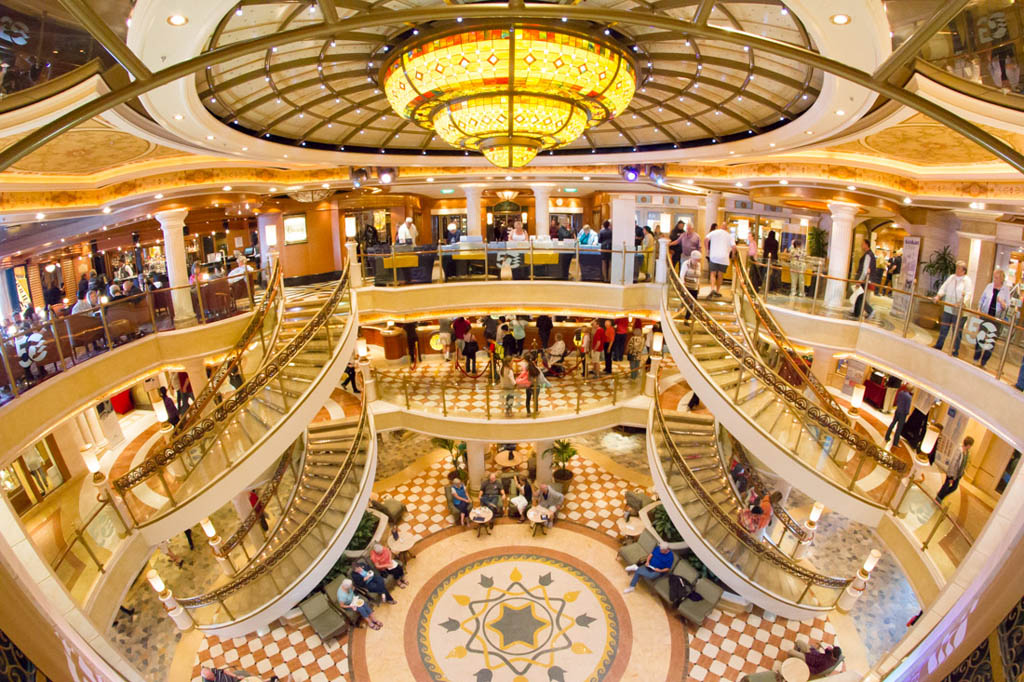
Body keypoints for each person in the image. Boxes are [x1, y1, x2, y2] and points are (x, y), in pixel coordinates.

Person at [932, 260, 972, 355]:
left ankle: (955, 350)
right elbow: (944, 287)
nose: (957, 270)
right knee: (944, 328)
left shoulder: (967, 280)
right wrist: (938, 296)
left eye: (959, 268)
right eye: (956, 267)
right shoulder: (951, 278)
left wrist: (962, 302)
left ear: (964, 271)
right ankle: (939, 345)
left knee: (956, 331)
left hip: (959, 311)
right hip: (948, 308)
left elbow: (968, 294)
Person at [973, 269, 1010, 366]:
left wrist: (1001, 302)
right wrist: (979, 310)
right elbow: (982, 299)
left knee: (991, 340)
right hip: (986, 315)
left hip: (996, 319)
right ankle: (976, 356)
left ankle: (984, 360)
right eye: (994, 277)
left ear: (1002, 279)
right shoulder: (989, 286)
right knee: (980, 336)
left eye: (997, 278)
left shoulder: (1005, 290)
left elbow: (1007, 306)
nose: (995, 279)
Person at [936, 436, 973, 503]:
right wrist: (951, 476)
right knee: (946, 486)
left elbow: (963, 463)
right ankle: (939, 498)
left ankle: (940, 496)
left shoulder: (966, 452)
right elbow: (953, 463)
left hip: (958, 474)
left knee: (954, 488)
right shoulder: (959, 450)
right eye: (970, 445)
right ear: (968, 445)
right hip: (952, 474)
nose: (971, 447)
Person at [705, 223, 735, 298]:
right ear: (727, 228)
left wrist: (707, 250)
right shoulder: (729, 236)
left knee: (713, 273)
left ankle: (712, 289)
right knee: (720, 275)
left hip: (714, 256)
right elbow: (734, 247)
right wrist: (733, 255)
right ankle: (717, 291)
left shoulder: (714, 232)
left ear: (721, 227)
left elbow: (706, 239)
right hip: (724, 258)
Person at [852, 238, 877, 320]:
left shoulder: (868, 255)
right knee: (859, 296)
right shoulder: (870, 254)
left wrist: (860, 280)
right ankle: (857, 312)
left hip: (864, 279)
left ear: (866, 244)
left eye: (863, 244)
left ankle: (870, 310)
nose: (861, 246)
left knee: (860, 296)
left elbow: (865, 269)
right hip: (865, 279)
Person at [680, 250, 701, 320]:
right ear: (692, 258)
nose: (697, 262)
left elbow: (698, 277)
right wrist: (683, 286)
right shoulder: (686, 264)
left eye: (698, 260)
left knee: (693, 305)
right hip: (687, 287)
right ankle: (685, 318)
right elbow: (682, 275)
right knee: (690, 304)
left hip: (694, 288)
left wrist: (698, 287)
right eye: (696, 260)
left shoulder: (699, 265)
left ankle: (686, 318)